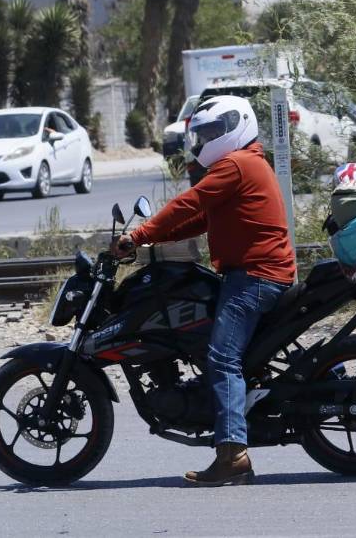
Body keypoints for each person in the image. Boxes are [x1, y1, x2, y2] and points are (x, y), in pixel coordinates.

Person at [115, 95, 296, 486]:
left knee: (222, 357)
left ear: (236, 127)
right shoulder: (245, 164)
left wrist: (139, 234)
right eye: (205, 133)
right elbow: (198, 218)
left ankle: (233, 455)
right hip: (256, 274)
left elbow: (188, 203)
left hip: (254, 277)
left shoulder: (237, 164)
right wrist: (149, 243)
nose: (207, 139)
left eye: (214, 131)